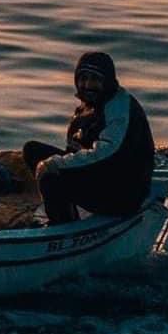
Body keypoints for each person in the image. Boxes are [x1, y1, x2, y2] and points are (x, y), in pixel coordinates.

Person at [23, 51, 155, 225]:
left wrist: (55, 164)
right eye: (83, 78)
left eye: (95, 79)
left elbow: (105, 151)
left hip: (122, 194)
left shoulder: (119, 107)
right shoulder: (89, 105)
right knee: (32, 150)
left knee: (51, 178)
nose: (88, 85)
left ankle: (63, 227)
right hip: (101, 176)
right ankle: (64, 207)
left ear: (107, 81)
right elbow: (74, 149)